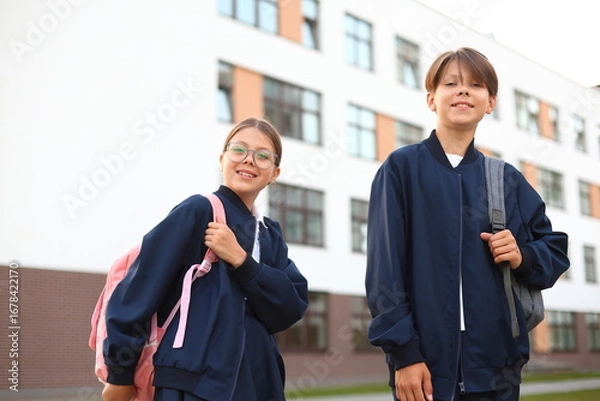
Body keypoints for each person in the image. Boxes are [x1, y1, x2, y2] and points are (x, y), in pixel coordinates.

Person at [365, 47, 569, 401]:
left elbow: (554, 248)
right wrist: (404, 356)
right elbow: (385, 272)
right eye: (451, 83)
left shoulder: (506, 179)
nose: (462, 91)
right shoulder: (401, 169)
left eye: (475, 85)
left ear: (490, 102)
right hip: (424, 369)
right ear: (431, 99)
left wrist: (521, 255)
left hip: (498, 370)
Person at [101, 117, 309, 401]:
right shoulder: (198, 211)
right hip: (193, 384)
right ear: (223, 158)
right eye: (239, 150)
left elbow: (290, 306)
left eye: (262, 156)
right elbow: (140, 289)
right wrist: (120, 373)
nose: (249, 160)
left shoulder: (269, 233)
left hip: (260, 383)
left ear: (274, 172)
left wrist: (241, 260)